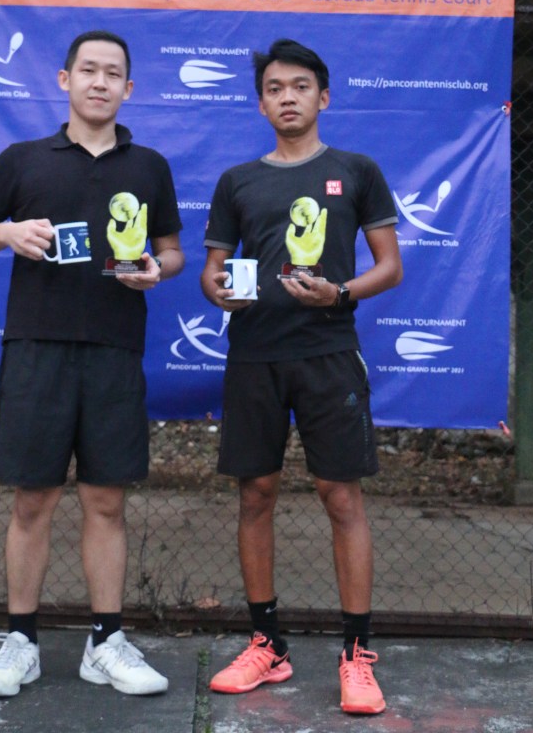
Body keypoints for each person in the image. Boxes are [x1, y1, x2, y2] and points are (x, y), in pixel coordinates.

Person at [0, 29, 184, 698]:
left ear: (128, 89)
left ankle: (105, 643)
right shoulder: (22, 160)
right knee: (33, 499)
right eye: (88, 70)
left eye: (113, 73)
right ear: (64, 79)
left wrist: (157, 270)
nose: (99, 82)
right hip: (36, 348)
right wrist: (6, 232)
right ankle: (20, 642)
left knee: (106, 501)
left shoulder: (150, 167)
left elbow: (172, 251)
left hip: (115, 349)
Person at [200, 38, 402, 715]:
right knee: (255, 494)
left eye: (300, 86)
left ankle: (357, 654)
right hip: (253, 356)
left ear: (323, 97)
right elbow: (212, 270)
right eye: (274, 88)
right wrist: (217, 290)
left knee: (340, 498)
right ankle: (268, 645)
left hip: (328, 354)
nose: (287, 97)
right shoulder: (237, 181)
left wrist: (339, 293)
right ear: (261, 104)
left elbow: (389, 267)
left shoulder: (356, 170)